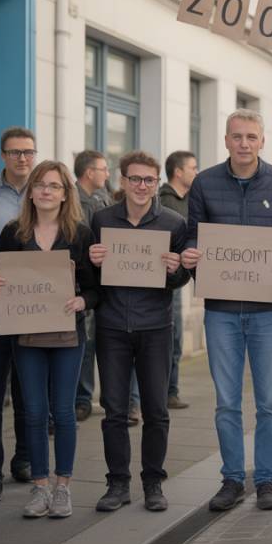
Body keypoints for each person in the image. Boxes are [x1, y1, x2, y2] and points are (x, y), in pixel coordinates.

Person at [181, 110, 272, 512]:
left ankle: (265, 480)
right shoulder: (204, 183)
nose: (244, 143)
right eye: (237, 137)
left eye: (251, 136)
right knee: (226, 402)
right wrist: (191, 255)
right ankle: (232, 479)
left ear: (262, 140)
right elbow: (192, 237)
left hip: (268, 311)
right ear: (226, 140)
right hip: (221, 311)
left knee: (269, 401)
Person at [0, 161, 99, 518]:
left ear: (66, 194)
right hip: (27, 336)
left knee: (64, 412)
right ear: (32, 192)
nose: (47, 191)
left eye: (54, 186)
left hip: (68, 334)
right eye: (41, 185)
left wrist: (83, 300)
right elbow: (3, 282)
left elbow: (98, 289)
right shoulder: (12, 233)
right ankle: (39, 487)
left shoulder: (80, 234)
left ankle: (63, 486)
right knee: (34, 412)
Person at [89, 151, 189, 513]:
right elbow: (90, 277)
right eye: (135, 179)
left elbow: (181, 279)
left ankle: (153, 483)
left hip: (156, 327)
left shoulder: (173, 223)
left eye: (148, 180)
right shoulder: (101, 220)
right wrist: (93, 261)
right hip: (112, 326)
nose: (142, 186)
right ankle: (117, 484)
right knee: (114, 410)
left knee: (156, 410)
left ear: (156, 182)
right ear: (123, 181)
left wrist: (176, 269)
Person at [0, 126, 37, 489]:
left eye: (28, 152)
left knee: (28, 395)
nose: (22, 158)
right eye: (15, 152)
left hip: (36, 311)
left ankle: (24, 460)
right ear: (3, 155)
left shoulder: (46, 190)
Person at [73, 150, 114, 423]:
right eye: (103, 169)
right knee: (84, 342)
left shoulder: (102, 198)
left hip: (103, 283)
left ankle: (97, 397)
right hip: (82, 283)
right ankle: (82, 399)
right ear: (89, 172)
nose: (107, 174)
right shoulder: (73, 200)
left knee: (98, 340)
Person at [159, 151, 199, 410]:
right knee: (166, 338)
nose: (197, 172)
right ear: (178, 172)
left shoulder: (193, 201)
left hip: (181, 278)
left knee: (176, 340)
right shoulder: (163, 202)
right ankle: (160, 392)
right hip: (161, 279)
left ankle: (172, 391)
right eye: (193, 167)